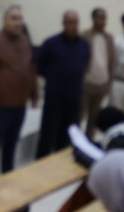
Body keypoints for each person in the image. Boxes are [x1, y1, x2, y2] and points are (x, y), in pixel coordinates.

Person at [0, 5, 38, 179]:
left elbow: (30, 69)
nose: (18, 22)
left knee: (11, 143)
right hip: (0, 105)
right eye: (13, 18)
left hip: (20, 103)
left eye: (20, 18)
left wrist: (35, 94)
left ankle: (7, 176)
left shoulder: (25, 40)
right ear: (4, 21)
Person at [36, 10, 91, 157]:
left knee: (68, 136)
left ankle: (61, 164)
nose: (74, 26)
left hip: (74, 99)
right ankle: (41, 164)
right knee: (48, 135)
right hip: (54, 98)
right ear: (64, 23)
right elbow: (40, 67)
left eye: (76, 23)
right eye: (70, 23)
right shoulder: (51, 43)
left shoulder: (84, 44)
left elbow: (85, 64)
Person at [82, 7, 115, 137]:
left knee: (94, 118)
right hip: (87, 83)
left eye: (104, 18)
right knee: (80, 116)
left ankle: (89, 141)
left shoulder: (109, 38)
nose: (103, 21)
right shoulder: (84, 36)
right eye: (100, 18)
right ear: (93, 18)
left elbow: (112, 61)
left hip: (102, 84)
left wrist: (109, 81)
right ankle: (74, 143)